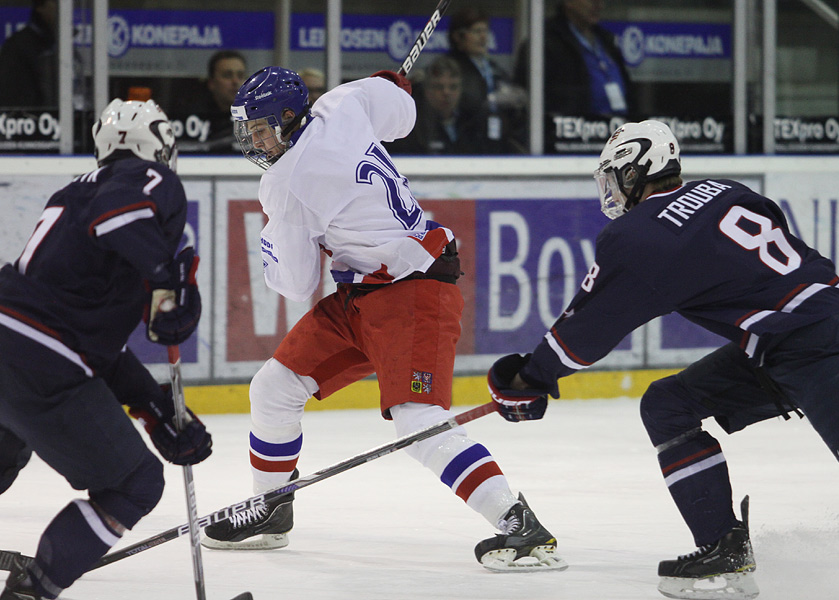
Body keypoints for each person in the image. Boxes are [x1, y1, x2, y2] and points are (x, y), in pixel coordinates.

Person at [486, 120, 839, 598]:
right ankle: (724, 551)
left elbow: (583, 332)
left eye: (614, 177)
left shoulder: (641, 234)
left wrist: (529, 377)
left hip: (812, 343)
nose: (611, 191)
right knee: (668, 404)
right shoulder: (725, 190)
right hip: (792, 337)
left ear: (635, 172)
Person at [199, 65, 566, 572]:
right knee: (273, 388)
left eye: (260, 130)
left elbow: (294, 283)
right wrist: (390, 86)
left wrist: (271, 241)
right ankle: (271, 508)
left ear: (288, 118)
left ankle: (518, 523)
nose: (255, 142)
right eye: (249, 131)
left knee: (418, 421)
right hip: (366, 293)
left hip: (413, 293)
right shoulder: (342, 103)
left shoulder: (287, 182)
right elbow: (404, 112)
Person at [0, 99, 210, 600]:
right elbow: (121, 216)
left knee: (8, 448)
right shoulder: (148, 182)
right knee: (136, 483)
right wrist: (165, 276)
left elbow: (92, 343)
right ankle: (31, 592)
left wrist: (154, 406)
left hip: (15, 341)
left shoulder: (74, 194)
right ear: (159, 145)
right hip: (40, 358)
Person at [514, 0, 632, 118]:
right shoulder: (544, 43)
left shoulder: (607, 40)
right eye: (592, 1)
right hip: (573, 130)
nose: (599, 5)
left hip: (617, 127)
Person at [388, 56, 509, 155]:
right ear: (426, 91)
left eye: (453, 87)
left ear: (461, 89)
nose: (446, 93)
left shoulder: (473, 121)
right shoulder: (411, 126)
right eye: (438, 87)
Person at [446, 6, 526, 152]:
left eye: (485, 31)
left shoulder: (493, 68)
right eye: (477, 32)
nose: (483, 37)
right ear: (458, 37)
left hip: (496, 142)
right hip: (465, 145)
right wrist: (490, 101)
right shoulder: (450, 68)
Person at [172, 50, 247, 154]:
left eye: (240, 75)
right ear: (211, 83)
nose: (235, 81)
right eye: (227, 75)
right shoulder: (193, 116)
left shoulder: (255, 115)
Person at [0, 0, 58, 108]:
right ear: (40, 8)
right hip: (26, 119)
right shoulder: (18, 45)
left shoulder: (55, 42)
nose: (58, 8)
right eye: (54, 2)